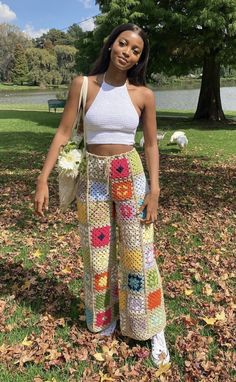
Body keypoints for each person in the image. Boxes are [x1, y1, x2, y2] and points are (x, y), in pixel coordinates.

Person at [34, 23, 170, 367]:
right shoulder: (83, 86)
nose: (127, 51)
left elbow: (151, 144)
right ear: (110, 45)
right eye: (122, 43)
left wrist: (155, 190)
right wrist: (42, 179)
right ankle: (105, 319)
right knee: (96, 254)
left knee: (138, 253)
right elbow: (64, 131)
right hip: (92, 176)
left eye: (135, 49)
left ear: (140, 57)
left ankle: (151, 326)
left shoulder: (143, 95)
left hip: (130, 173)